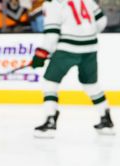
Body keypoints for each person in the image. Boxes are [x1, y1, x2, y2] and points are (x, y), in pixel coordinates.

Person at [32, 0, 113, 137]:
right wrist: (86, 34)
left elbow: (52, 35)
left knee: (50, 82)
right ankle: (106, 118)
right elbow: (102, 21)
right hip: (90, 48)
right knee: (91, 84)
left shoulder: (53, 4)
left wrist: (41, 54)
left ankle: (50, 120)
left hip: (67, 50)